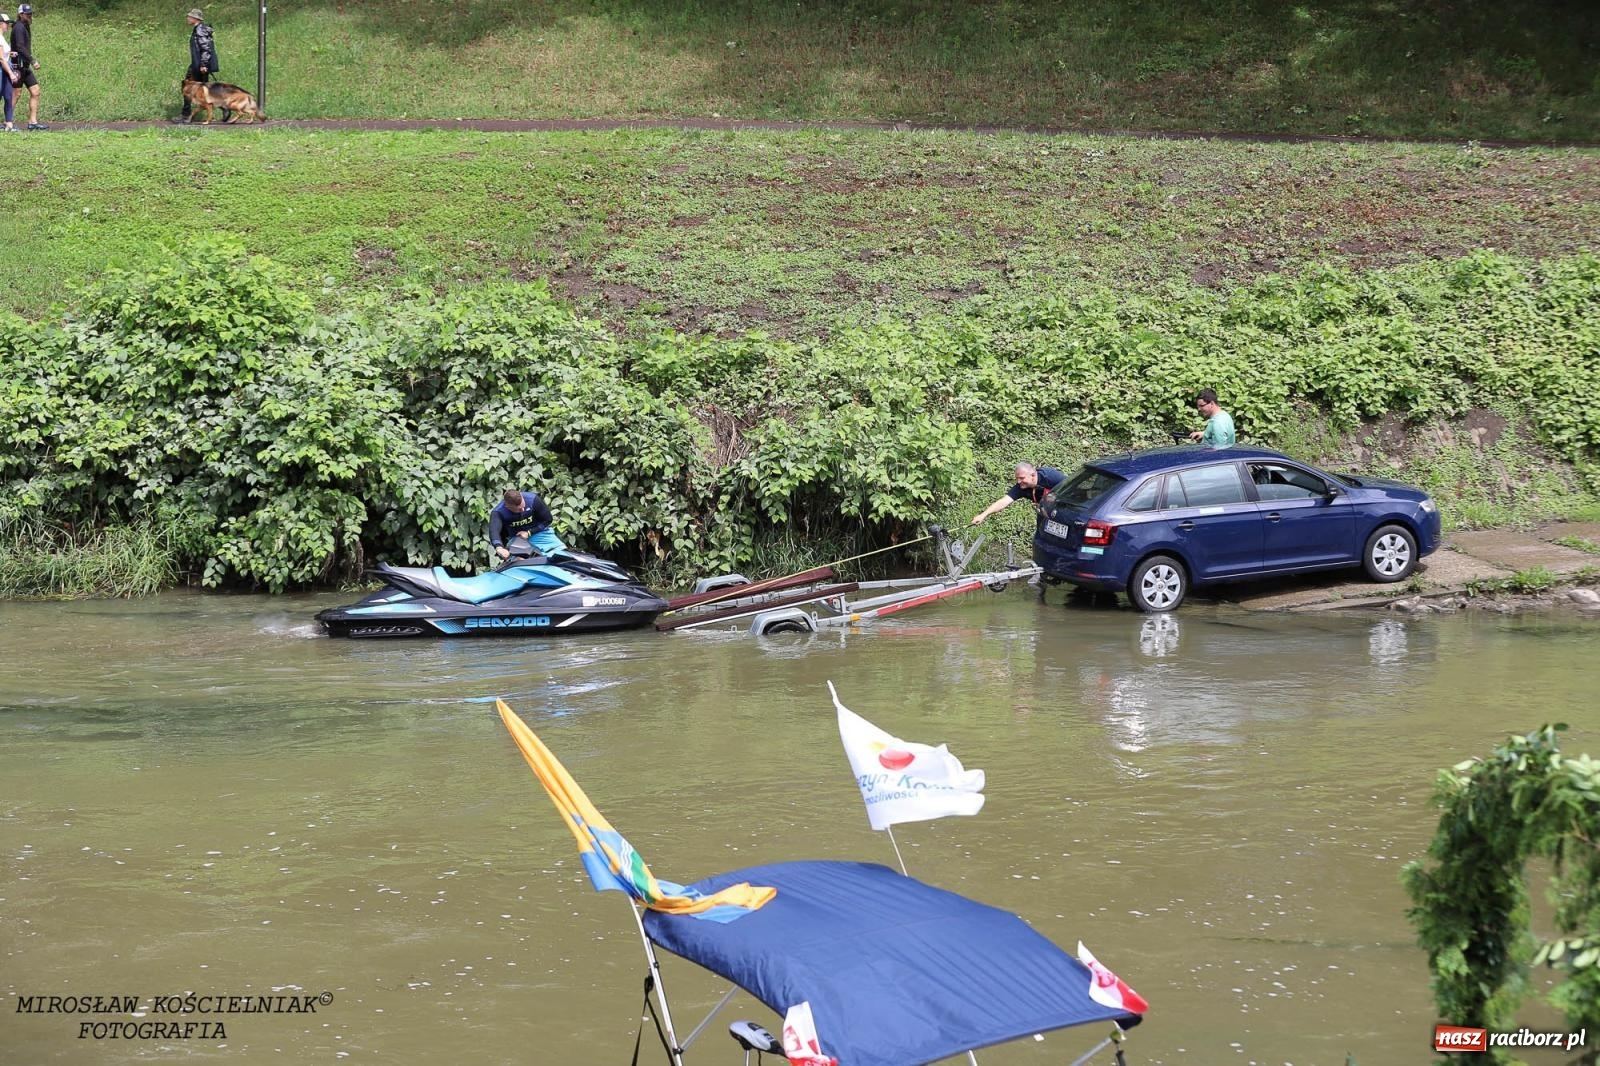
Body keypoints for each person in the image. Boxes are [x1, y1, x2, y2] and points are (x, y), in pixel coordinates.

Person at [971, 461, 1066, 525]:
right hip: (1045, 514)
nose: (1019, 481)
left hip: (1065, 510)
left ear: (1032, 475)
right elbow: (1003, 501)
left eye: (1021, 478)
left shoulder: (1050, 477)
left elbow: (1073, 488)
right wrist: (983, 515)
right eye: (1017, 478)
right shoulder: (1021, 487)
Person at [488, 488, 566, 560]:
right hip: (517, 539)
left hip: (540, 533)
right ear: (508, 506)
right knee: (521, 561)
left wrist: (529, 532)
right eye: (518, 509)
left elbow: (548, 520)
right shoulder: (498, 512)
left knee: (564, 554)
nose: (522, 510)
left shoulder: (533, 499)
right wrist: (499, 548)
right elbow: (494, 532)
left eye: (523, 506)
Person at [177, 7, 218, 123]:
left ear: (195, 18)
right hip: (197, 64)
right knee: (204, 90)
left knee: (187, 87)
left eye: (189, 17)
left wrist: (203, 64)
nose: (187, 18)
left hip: (199, 65)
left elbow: (206, 49)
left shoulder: (200, 30)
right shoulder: (198, 29)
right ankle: (224, 108)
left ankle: (186, 114)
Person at [11, 3, 41, 130]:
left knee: (35, 91)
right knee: (16, 94)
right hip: (18, 65)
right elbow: (20, 47)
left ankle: (32, 123)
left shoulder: (25, 26)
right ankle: (7, 121)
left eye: (30, 14)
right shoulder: (18, 27)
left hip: (25, 67)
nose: (29, 16)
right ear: (20, 14)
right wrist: (33, 60)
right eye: (27, 14)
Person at [1, 14, 17, 132]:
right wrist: (11, 73)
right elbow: (1, 59)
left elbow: (4, 55)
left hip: (5, 68)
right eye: (7, 23)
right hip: (2, 69)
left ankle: (9, 124)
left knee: (8, 96)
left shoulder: (2, 38)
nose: (8, 25)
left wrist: (10, 54)